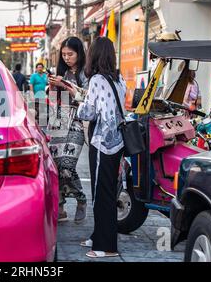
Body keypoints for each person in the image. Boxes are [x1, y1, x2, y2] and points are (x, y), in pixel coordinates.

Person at [66, 37, 126, 258]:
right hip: (117, 142)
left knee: (102, 194)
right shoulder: (119, 79)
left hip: (102, 142)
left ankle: (106, 245)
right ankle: (98, 235)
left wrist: (78, 104)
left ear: (93, 55)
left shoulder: (96, 80)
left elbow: (89, 112)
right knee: (107, 190)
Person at [47, 36, 88, 223]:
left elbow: (87, 97)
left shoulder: (87, 73)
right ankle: (61, 206)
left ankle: (81, 199)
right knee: (56, 164)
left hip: (77, 119)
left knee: (67, 164)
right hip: (59, 118)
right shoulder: (60, 72)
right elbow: (54, 101)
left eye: (70, 54)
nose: (66, 58)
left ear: (79, 53)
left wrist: (66, 85)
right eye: (63, 55)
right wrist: (52, 87)